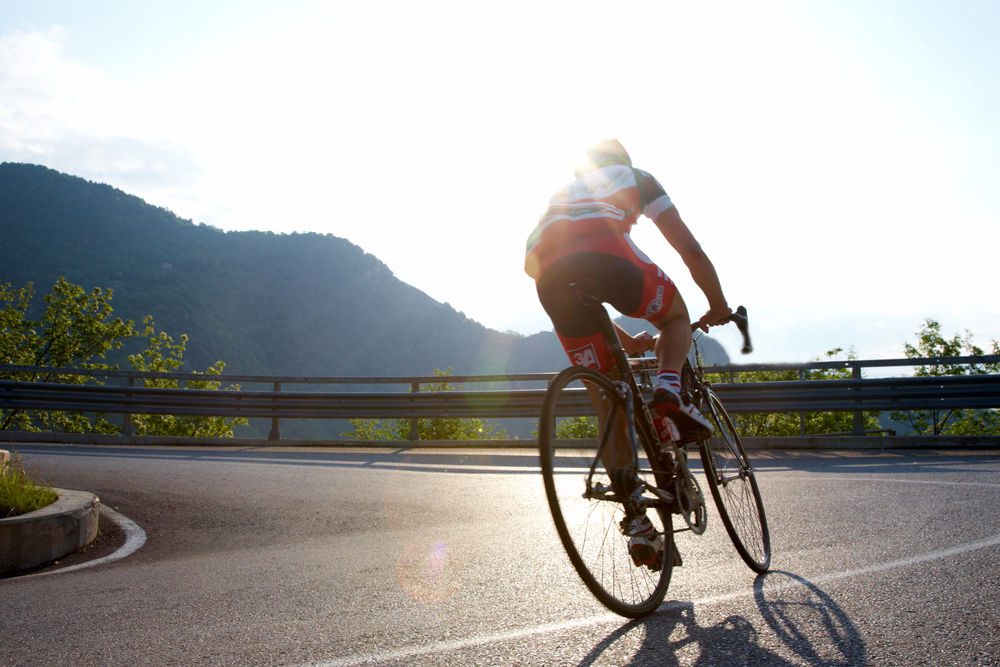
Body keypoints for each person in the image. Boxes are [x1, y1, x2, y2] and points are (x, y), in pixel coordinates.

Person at [525, 139, 732, 566]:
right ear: (623, 162)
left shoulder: (561, 195)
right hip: (610, 258)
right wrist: (718, 303)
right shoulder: (637, 178)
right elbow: (688, 249)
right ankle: (669, 388)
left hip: (549, 278)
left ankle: (637, 521)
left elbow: (536, 264)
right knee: (675, 318)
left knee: (608, 396)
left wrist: (618, 335)